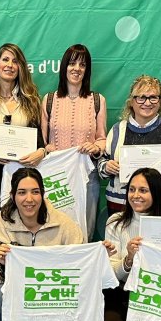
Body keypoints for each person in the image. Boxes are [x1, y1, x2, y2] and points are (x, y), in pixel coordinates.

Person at [0, 167, 91, 321]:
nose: (29, 199)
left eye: (35, 192)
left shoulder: (63, 223)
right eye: (22, 192)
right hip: (15, 284)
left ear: (43, 194)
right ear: (12, 196)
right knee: (1, 297)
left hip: (53, 286)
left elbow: (79, 265)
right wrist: (3, 263)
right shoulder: (1, 220)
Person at [0, 43, 46, 229]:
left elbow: (40, 140)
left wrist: (42, 152)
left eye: (15, 61)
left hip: (23, 176)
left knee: (25, 228)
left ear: (21, 67)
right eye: (5, 59)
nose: (10, 65)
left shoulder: (31, 100)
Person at [98, 75, 161, 215]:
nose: (147, 103)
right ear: (131, 101)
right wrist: (107, 167)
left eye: (153, 97)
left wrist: (158, 190)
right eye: (141, 97)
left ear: (160, 102)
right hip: (120, 205)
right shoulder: (118, 130)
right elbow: (101, 165)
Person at [41, 44, 107, 239]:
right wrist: (47, 148)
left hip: (86, 178)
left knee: (83, 232)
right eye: (72, 63)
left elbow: (102, 139)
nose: (76, 69)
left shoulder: (97, 100)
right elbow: (42, 142)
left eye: (82, 64)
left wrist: (95, 147)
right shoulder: (49, 99)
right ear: (64, 67)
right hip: (55, 179)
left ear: (87, 70)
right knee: (53, 231)